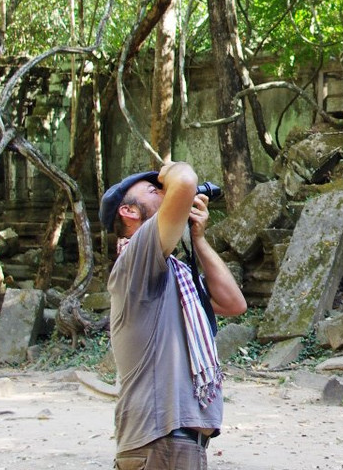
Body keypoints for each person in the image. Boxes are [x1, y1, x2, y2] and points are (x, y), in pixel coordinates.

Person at [101, 161, 247, 470]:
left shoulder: (173, 275)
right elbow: (184, 180)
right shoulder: (135, 259)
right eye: (155, 190)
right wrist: (170, 174)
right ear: (128, 212)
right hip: (162, 441)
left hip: (167, 444)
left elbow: (233, 303)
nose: (164, 192)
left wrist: (199, 239)